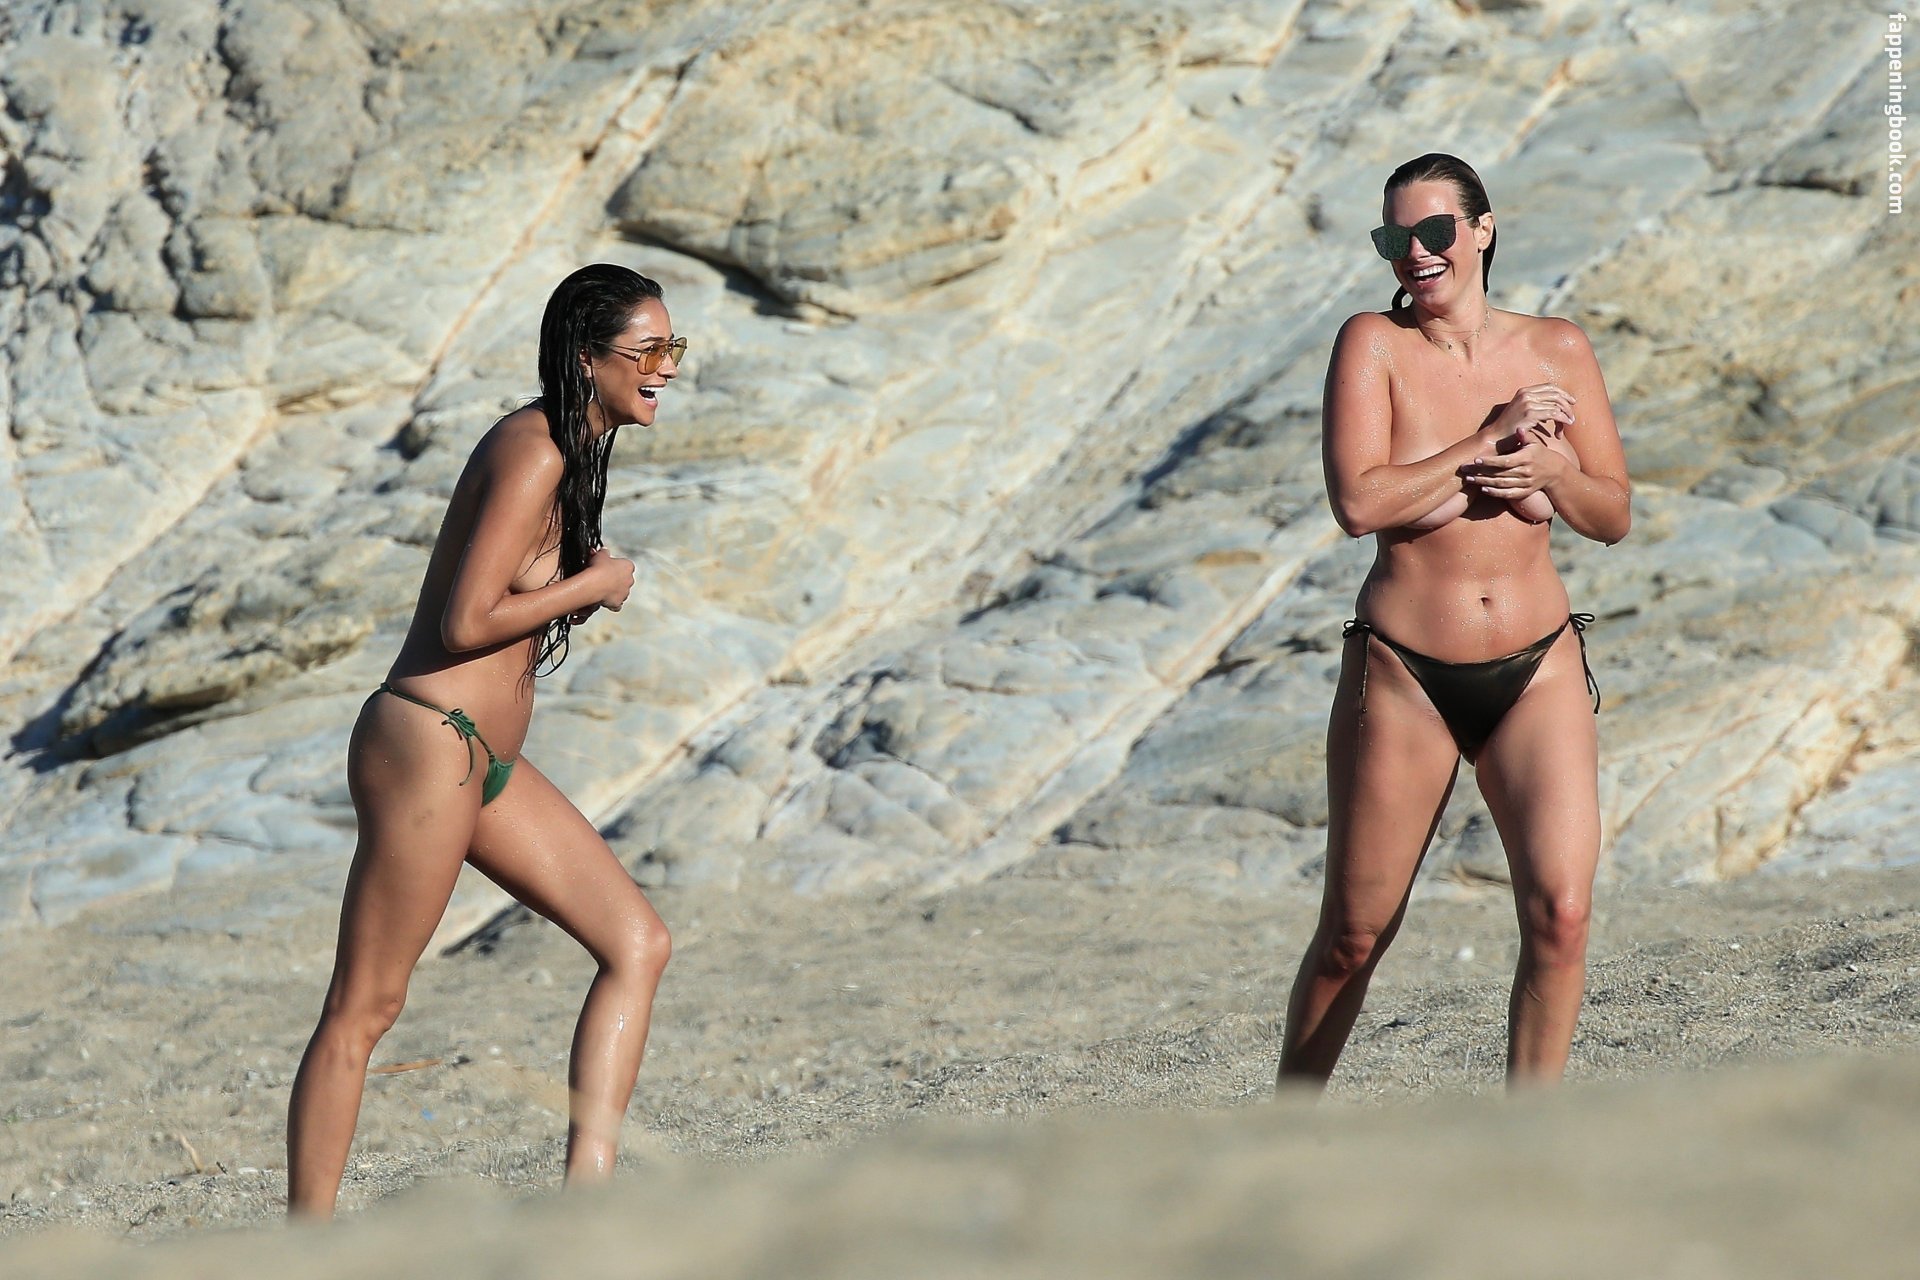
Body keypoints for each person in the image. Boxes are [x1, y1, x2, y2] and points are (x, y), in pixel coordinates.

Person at [286, 264, 684, 1216]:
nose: (665, 368)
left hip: (485, 763)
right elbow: (465, 621)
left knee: (637, 942)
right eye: (646, 351)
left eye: (673, 349)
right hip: (429, 741)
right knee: (366, 1006)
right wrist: (591, 584)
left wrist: (575, 577)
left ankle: (584, 1216)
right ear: (586, 358)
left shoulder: (572, 447)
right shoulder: (535, 449)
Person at [1278, 154, 1630, 1088]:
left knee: (1561, 915)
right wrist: (1483, 442)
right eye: (1395, 238)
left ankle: (1525, 1150)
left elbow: (1612, 516)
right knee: (1355, 934)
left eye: (1435, 231)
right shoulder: (1373, 344)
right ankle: (1284, 1129)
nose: (1416, 253)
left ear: (1482, 230)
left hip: (1538, 665)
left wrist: (1555, 473)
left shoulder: (1556, 348)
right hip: (1405, 672)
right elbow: (1360, 503)